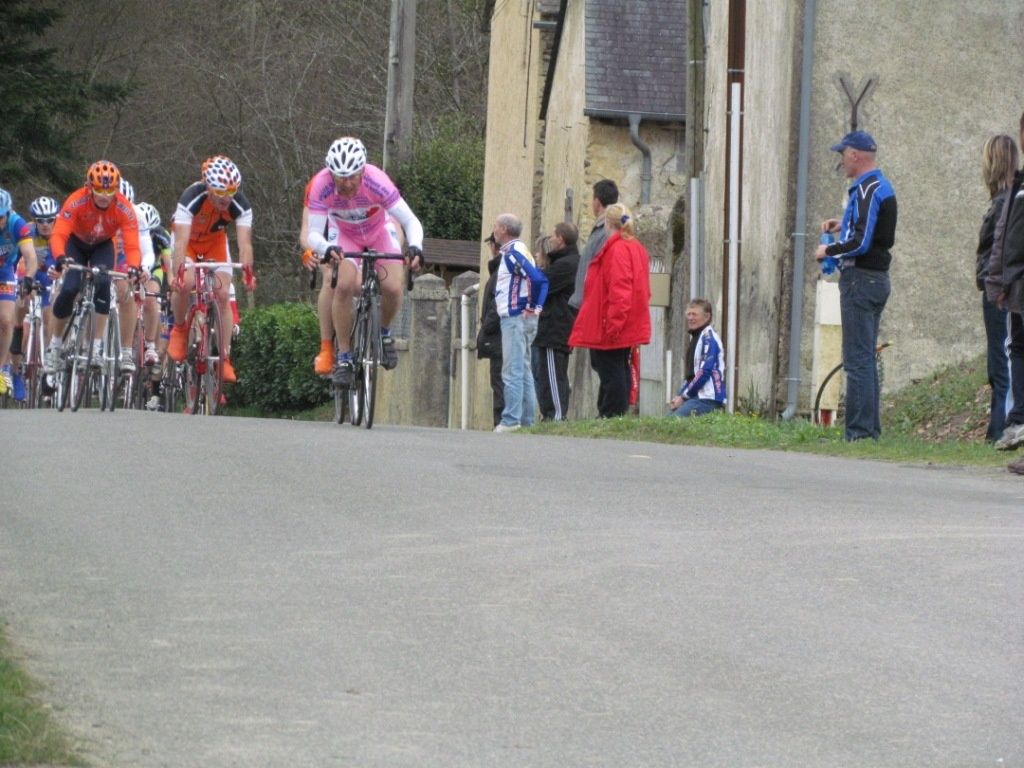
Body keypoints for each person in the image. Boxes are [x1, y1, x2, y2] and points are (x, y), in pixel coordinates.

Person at [302, 136, 424, 386]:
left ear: (362, 171)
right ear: (331, 174)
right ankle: (344, 356)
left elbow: (410, 220)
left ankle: (384, 332)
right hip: (344, 234)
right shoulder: (321, 185)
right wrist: (327, 248)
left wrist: (416, 247)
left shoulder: (377, 181)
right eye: (340, 177)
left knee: (393, 287)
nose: (346, 183)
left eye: (352, 177)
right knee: (343, 285)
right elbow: (313, 234)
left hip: (379, 230)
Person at [815, 130, 897, 441]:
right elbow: (873, 231)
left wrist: (829, 250)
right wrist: (843, 223)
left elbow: (861, 242)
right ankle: (869, 429)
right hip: (876, 279)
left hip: (860, 279)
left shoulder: (865, 190)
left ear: (854, 155)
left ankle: (859, 432)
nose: (841, 161)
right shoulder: (880, 186)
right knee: (865, 357)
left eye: (842, 155)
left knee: (857, 360)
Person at [167, 155, 256, 384]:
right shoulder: (191, 197)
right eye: (219, 192)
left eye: (231, 192)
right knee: (185, 283)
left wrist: (248, 272)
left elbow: (245, 244)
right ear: (207, 187)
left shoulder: (240, 204)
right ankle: (179, 329)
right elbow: (180, 242)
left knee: (223, 293)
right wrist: (178, 272)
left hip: (215, 244)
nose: (226, 198)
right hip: (188, 243)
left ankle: (224, 358)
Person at [47, 161, 139, 372]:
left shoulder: (124, 207)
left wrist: (134, 266)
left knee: (104, 284)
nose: (104, 196)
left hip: (102, 245)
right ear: (89, 187)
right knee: (69, 288)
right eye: (99, 190)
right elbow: (59, 233)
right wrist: (60, 257)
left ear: (117, 189)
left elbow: (132, 244)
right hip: (76, 244)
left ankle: (95, 347)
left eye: (110, 191)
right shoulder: (77, 200)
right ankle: (55, 345)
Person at [568, 202, 651, 417]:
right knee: (618, 366)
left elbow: (619, 291)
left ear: (607, 223)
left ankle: (612, 413)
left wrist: (613, 324)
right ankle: (611, 412)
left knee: (611, 370)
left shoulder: (617, 249)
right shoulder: (635, 247)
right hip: (626, 320)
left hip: (613, 321)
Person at [975, 135, 1017, 442]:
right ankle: (998, 427)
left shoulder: (1004, 203)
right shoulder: (1006, 201)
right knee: (1000, 361)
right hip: (1001, 289)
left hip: (1000, 292)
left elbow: (999, 252)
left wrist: (992, 282)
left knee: (1001, 362)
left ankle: (1000, 429)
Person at [492, 213, 548, 432]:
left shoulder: (513, 253)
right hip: (521, 318)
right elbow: (538, 279)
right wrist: (536, 307)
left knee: (512, 370)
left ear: (504, 229)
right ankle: (526, 421)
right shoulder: (521, 250)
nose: (494, 231)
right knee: (524, 371)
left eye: (496, 226)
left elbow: (537, 278)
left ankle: (511, 420)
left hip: (515, 317)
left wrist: (533, 306)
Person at [10, 196, 58, 400]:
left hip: (49, 278)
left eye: (50, 220)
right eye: (41, 220)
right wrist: (17, 282)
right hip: (28, 274)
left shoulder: (61, 233)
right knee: (20, 308)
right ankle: (15, 369)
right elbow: (16, 259)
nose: (46, 224)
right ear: (34, 220)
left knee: (50, 315)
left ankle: (49, 366)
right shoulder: (27, 231)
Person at [533, 222, 579, 420]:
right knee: (547, 373)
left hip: (556, 326)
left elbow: (541, 286)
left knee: (553, 374)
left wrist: (539, 266)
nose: (550, 239)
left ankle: (557, 415)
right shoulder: (564, 261)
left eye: (553, 236)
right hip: (553, 325)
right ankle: (550, 414)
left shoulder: (567, 264)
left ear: (560, 239)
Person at [0, 189, 38, 396]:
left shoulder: (17, 224)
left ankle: (2, 368)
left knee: (6, 320)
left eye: (0, 218)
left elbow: (31, 257)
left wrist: (28, 279)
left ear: (8, 212)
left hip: (5, 271)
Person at [668, 299, 726, 417]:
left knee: (671, 422)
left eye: (694, 314)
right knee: (665, 421)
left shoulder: (708, 339)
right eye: (688, 314)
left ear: (707, 317)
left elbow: (704, 372)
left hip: (708, 398)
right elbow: (691, 376)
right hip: (696, 396)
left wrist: (684, 396)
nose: (690, 318)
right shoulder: (697, 337)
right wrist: (680, 395)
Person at [569, 179, 618, 312]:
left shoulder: (606, 231)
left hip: (592, 304)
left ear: (597, 201)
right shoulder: (601, 229)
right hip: (587, 302)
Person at [476, 233, 504, 427]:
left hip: (498, 336)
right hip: (498, 335)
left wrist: (486, 327)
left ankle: (501, 421)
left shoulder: (500, 271)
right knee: (499, 381)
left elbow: (496, 305)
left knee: (500, 381)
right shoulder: (498, 271)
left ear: (495, 247)